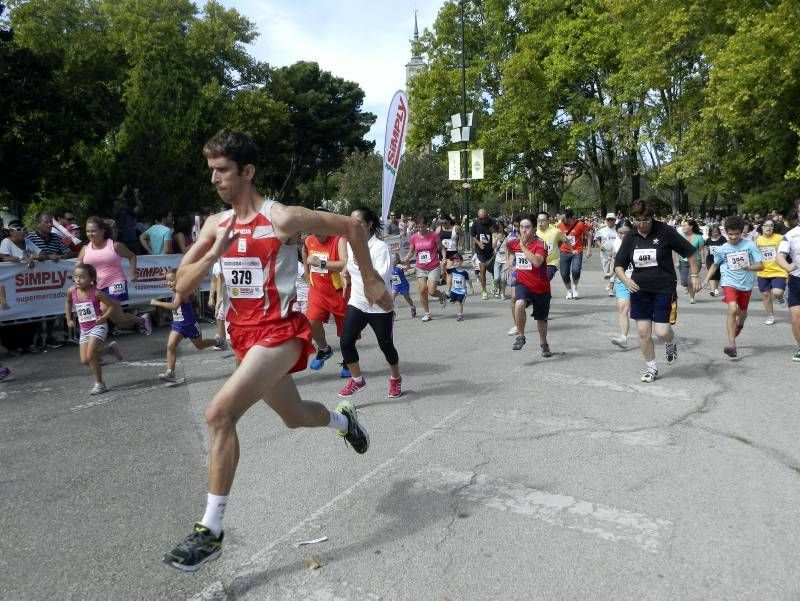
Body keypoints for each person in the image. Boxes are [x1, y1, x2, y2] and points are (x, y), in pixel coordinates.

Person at [162, 130, 392, 572]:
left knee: (219, 413)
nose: (215, 179)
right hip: (244, 339)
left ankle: (210, 531)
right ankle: (344, 421)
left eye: (223, 170)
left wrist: (372, 279)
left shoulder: (281, 218)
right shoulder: (213, 225)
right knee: (294, 416)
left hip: (282, 333)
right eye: (211, 170)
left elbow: (350, 225)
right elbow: (179, 289)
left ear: (247, 172)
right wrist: (215, 255)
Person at [614, 199, 700, 383]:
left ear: (652, 217)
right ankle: (651, 368)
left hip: (663, 288)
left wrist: (694, 276)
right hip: (639, 290)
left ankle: (671, 342)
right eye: (637, 220)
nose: (642, 224)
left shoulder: (665, 231)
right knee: (643, 333)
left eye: (646, 220)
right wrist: (626, 280)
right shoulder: (631, 237)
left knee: (661, 332)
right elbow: (618, 265)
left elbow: (690, 252)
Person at [338, 207, 403, 398]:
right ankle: (357, 380)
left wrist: (365, 265)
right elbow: (347, 266)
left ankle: (395, 379)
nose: (353, 226)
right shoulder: (351, 244)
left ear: (369, 224)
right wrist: (344, 272)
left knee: (386, 345)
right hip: (358, 301)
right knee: (345, 342)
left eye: (357, 222)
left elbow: (381, 278)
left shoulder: (379, 247)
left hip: (379, 304)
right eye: (351, 222)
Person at [702, 216, 764, 358]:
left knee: (742, 314)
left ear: (742, 232)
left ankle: (740, 323)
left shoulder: (750, 245)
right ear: (726, 233)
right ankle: (732, 344)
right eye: (730, 234)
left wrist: (749, 267)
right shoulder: (723, 248)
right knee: (732, 308)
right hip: (729, 282)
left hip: (746, 285)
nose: (734, 237)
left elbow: (761, 265)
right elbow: (715, 265)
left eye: (737, 234)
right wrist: (706, 279)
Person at [79, 216, 152, 336]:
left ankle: (93, 340)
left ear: (102, 231)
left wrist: (132, 272)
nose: (90, 234)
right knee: (118, 319)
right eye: (88, 231)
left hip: (116, 283)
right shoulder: (85, 249)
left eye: (93, 231)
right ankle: (142, 320)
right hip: (97, 286)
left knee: (100, 311)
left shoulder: (114, 245)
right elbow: (79, 266)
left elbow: (132, 256)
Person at [64, 263, 124, 395]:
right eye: (75, 277)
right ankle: (110, 350)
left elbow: (112, 306)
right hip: (84, 329)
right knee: (85, 360)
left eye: (82, 277)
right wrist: (69, 318)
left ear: (91, 279)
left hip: (98, 326)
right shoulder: (71, 291)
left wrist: (104, 318)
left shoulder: (97, 293)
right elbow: (68, 302)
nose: (78, 280)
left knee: (90, 355)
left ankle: (100, 384)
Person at [149, 268, 218, 382]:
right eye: (167, 281)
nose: (168, 283)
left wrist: (157, 302)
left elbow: (175, 306)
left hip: (190, 325)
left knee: (200, 345)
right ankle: (170, 372)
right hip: (178, 325)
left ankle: (217, 341)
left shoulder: (182, 292)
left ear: (180, 281)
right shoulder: (176, 291)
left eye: (171, 281)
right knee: (170, 346)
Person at [303, 230, 350, 374]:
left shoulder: (339, 239)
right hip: (318, 290)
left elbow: (344, 263)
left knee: (346, 332)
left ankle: (348, 360)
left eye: (319, 230)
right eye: (313, 230)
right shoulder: (309, 239)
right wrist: (306, 271)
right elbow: (305, 251)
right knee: (311, 322)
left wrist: (320, 263)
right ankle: (324, 350)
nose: (316, 234)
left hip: (338, 290)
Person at [506, 215, 553, 356]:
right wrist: (510, 263)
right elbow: (509, 249)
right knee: (518, 303)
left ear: (534, 229)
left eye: (527, 227)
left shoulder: (540, 244)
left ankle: (544, 344)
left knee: (541, 319)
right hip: (523, 283)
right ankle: (521, 336)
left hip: (540, 286)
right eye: (521, 227)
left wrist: (523, 248)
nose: (523, 230)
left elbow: (537, 262)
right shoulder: (513, 243)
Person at [404, 214, 447, 322]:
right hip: (421, 267)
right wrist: (406, 258)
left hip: (433, 266)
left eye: (423, 227)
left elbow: (441, 248)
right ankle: (427, 313)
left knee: (431, 291)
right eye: (418, 227)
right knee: (422, 290)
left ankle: (441, 295)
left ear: (427, 225)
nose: (421, 229)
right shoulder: (414, 237)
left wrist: (444, 258)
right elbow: (411, 251)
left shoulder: (434, 235)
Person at [776, 209, 800, 361]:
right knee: (796, 317)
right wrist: (788, 266)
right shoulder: (790, 235)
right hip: (797, 280)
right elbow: (780, 256)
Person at [755, 219, 788, 324]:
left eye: (771, 226)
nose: (769, 228)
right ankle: (770, 316)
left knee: (777, 292)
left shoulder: (780, 238)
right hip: (763, 271)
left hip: (778, 270)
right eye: (766, 225)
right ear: (762, 227)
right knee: (765, 294)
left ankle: (780, 297)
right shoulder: (757, 240)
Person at [608, 220, 633, 348]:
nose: (623, 236)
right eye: (620, 233)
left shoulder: (640, 242)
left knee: (644, 314)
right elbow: (615, 261)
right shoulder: (617, 243)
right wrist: (611, 273)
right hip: (623, 280)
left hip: (640, 281)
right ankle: (623, 338)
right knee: (623, 308)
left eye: (626, 233)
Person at [557, 208, 590, 299]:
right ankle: (569, 290)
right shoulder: (559, 225)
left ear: (570, 218)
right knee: (564, 273)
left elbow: (589, 235)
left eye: (563, 220)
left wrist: (588, 250)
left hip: (577, 251)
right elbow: (557, 239)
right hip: (564, 251)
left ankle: (575, 287)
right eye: (561, 220)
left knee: (576, 270)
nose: (562, 222)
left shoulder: (580, 224)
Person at [469, 208, 495, 299]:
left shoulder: (493, 222)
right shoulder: (476, 223)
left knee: (494, 271)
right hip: (481, 251)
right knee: (482, 270)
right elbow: (472, 235)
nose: (483, 220)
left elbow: (498, 233)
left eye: (484, 218)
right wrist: (479, 243)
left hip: (491, 251)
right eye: (481, 219)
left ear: (487, 216)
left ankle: (495, 284)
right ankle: (484, 291)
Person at [677, 219, 704, 304]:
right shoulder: (680, 236)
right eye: (682, 226)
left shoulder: (698, 237)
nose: (683, 227)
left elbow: (702, 250)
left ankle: (692, 297)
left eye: (685, 225)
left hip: (696, 262)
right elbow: (677, 249)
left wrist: (703, 262)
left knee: (690, 280)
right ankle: (688, 287)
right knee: (684, 282)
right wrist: (677, 261)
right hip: (683, 261)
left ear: (691, 227)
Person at [595, 212, 619, 296]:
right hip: (605, 253)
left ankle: (611, 289)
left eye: (612, 220)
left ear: (614, 220)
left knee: (614, 270)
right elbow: (597, 239)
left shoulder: (618, 229)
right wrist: (600, 245)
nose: (610, 221)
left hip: (616, 253)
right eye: (608, 220)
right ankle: (610, 283)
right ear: (606, 220)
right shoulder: (602, 230)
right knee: (606, 271)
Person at [446, 253, 475, 321]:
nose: (455, 263)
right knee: (453, 301)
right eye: (453, 261)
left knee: (459, 303)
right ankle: (450, 298)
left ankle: (460, 315)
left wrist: (471, 288)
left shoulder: (464, 272)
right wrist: (444, 264)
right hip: (454, 290)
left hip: (462, 292)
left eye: (457, 261)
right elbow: (446, 270)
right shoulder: (452, 270)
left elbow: (469, 280)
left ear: (462, 262)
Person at [390, 253, 416, 317]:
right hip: (395, 286)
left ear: (397, 260)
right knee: (391, 298)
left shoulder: (399, 266)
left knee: (407, 297)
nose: (392, 261)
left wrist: (407, 262)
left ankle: (412, 307)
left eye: (393, 260)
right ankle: (392, 312)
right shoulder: (389, 267)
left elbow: (407, 268)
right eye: (391, 260)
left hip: (403, 285)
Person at [704, 224, 726, 297]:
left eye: (716, 232)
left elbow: (726, 248)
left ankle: (716, 288)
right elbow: (706, 249)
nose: (715, 233)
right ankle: (712, 290)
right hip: (710, 259)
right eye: (713, 232)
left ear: (719, 231)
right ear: (710, 232)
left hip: (720, 259)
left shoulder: (722, 239)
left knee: (717, 274)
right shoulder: (708, 240)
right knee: (712, 273)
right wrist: (707, 249)